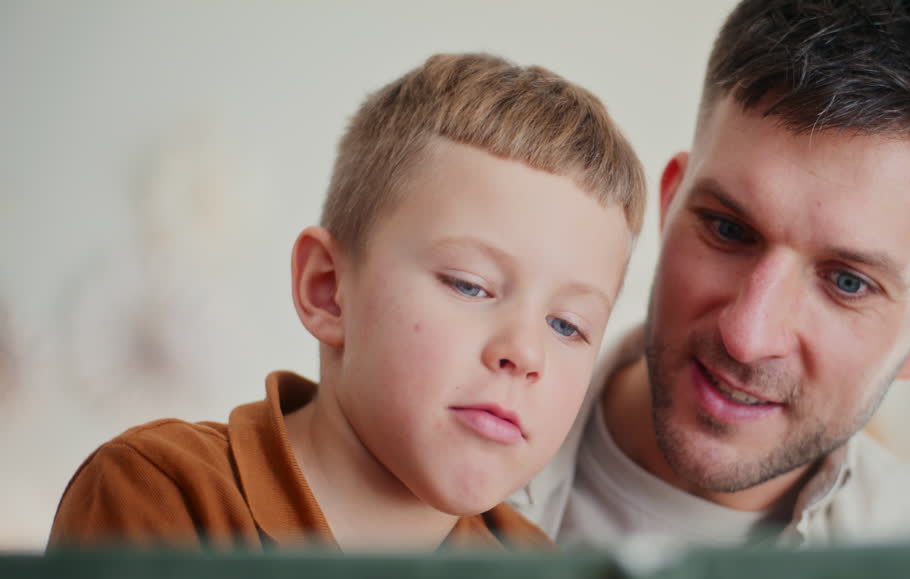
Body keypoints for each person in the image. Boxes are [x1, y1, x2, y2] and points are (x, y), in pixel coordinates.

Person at [48, 53, 645, 552]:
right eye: (470, 285)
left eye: (568, 325)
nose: (524, 351)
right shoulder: (162, 495)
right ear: (328, 290)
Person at [510, 0, 910, 548]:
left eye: (847, 282)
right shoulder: (425, 480)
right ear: (671, 201)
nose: (747, 337)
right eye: (729, 230)